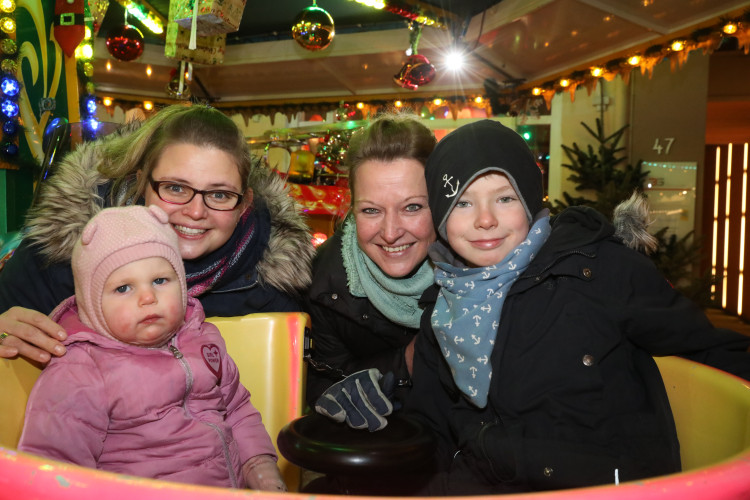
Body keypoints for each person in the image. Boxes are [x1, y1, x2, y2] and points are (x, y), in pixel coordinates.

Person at [406, 119, 750, 494]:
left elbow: (703, 346)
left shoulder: (596, 270)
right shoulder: (443, 307)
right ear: (440, 216)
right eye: (463, 203)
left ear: (530, 199)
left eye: (505, 198)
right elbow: (433, 429)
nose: (485, 220)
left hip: (605, 488)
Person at [0, 105, 314, 363]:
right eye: (175, 188)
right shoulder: (61, 251)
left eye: (219, 195)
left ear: (244, 203)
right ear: (142, 183)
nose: (195, 212)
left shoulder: (272, 289)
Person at [18, 205, 287, 491]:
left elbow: (237, 409)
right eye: (123, 288)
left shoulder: (202, 338)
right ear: (92, 303)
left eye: (160, 281)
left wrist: (259, 467)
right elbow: (55, 470)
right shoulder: (81, 370)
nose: (148, 297)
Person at [304, 113, 437, 431]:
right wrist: (405, 362)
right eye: (371, 210)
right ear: (351, 208)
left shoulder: (480, 265)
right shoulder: (323, 284)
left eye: (412, 207)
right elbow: (323, 390)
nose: (390, 233)